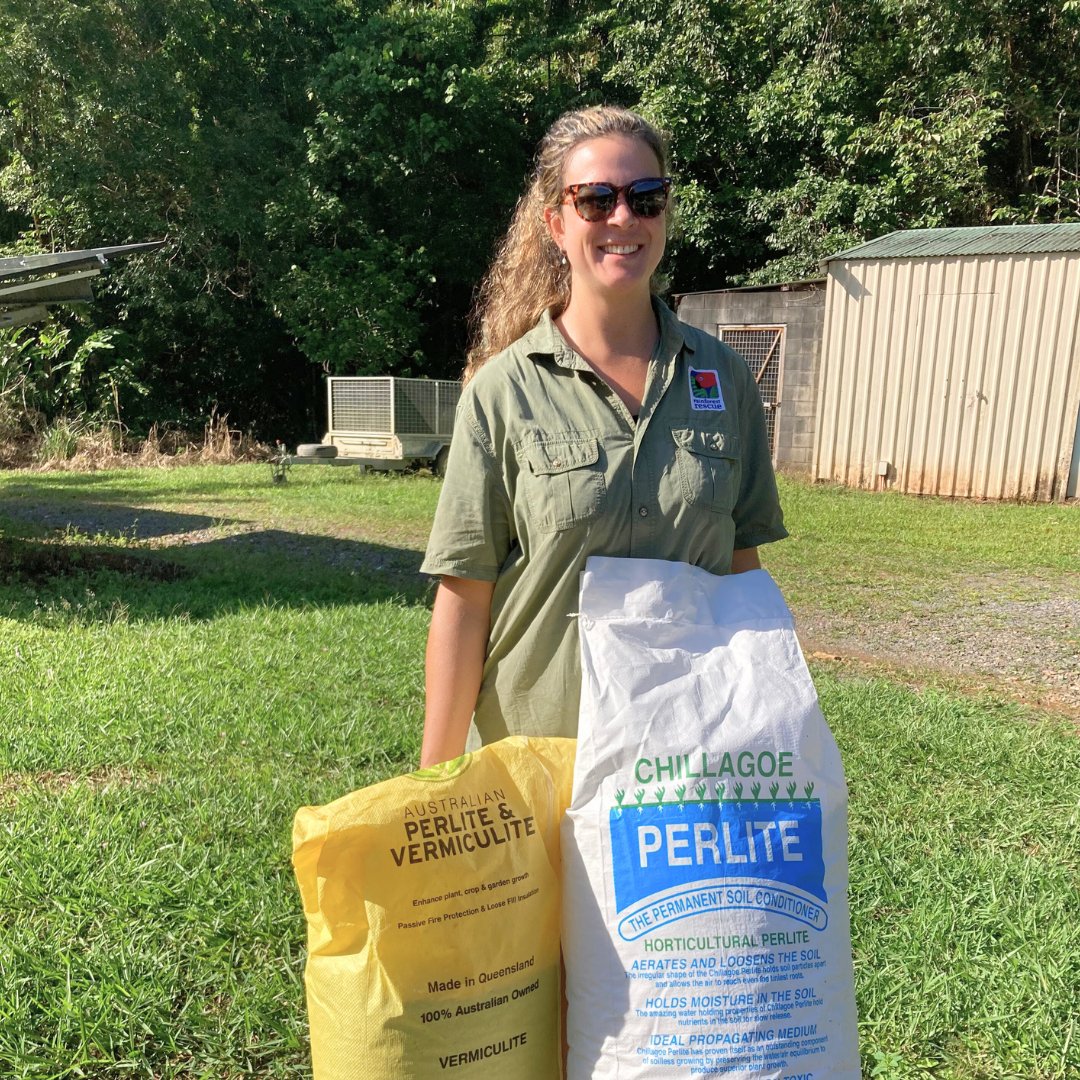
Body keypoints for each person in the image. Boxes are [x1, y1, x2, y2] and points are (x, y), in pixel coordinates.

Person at [419, 105, 787, 767]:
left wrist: (767, 725)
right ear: (557, 224)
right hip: (536, 762)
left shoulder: (724, 379)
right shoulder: (502, 393)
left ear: (666, 215)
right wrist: (437, 785)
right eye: (595, 199)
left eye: (647, 198)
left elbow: (741, 573)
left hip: (683, 763)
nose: (624, 218)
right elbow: (464, 599)